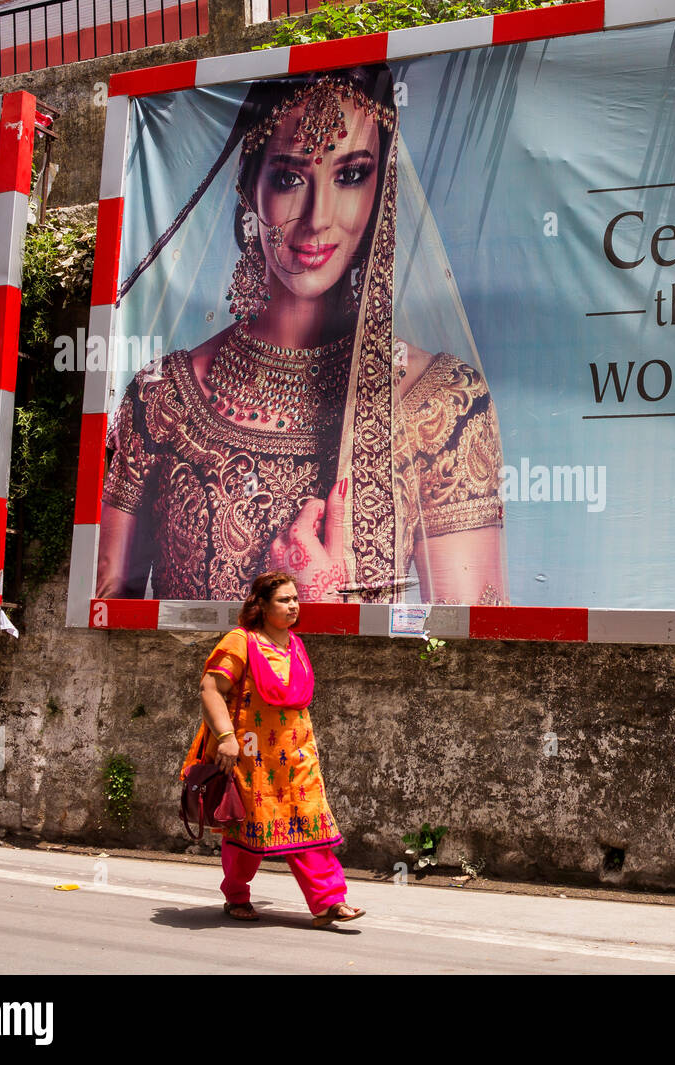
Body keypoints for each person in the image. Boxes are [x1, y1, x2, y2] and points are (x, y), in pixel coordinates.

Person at [96, 65, 507, 605]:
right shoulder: (163, 398)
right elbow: (105, 623)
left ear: (381, 190)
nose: (318, 219)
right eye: (290, 179)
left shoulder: (444, 404)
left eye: (350, 175)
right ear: (250, 191)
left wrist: (326, 602)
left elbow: (470, 649)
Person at [184, 570, 363, 926]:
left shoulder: (295, 644)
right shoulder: (240, 641)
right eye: (284, 599)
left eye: (296, 598)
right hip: (250, 755)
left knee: (311, 825)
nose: (293, 605)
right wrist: (226, 738)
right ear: (262, 605)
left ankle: (329, 902)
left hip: (297, 758)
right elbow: (210, 690)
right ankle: (236, 895)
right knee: (246, 829)